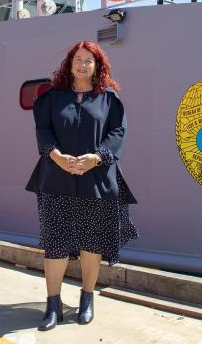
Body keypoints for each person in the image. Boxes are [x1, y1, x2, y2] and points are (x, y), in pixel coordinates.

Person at [25, 40, 139, 331]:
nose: (83, 64)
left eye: (89, 60)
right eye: (78, 59)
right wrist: (56, 156)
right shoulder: (51, 98)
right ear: (70, 63)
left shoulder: (109, 99)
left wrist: (96, 158)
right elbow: (43, 130)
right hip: (56, 178)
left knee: (93, 243)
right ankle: (53, 305)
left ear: (97, 66)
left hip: (97, 179)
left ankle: (87, 300)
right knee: (55, 244)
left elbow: (118, 132)